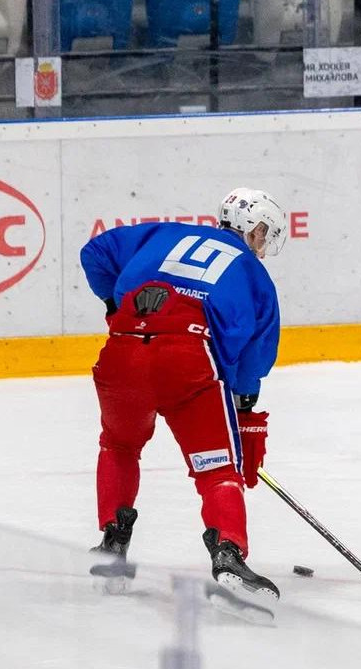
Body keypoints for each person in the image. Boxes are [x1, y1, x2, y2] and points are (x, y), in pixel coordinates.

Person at [79, 188, 286, 605]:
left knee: (119, 445)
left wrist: (116, 307)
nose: (262, 247)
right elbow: (253, 358)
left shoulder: (164, 232)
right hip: (188, 361)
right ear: (253, 229)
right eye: (264, 236)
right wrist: (243, 407)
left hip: (121, 351)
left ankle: (113, 545)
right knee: (217, 469)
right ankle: (227, 554)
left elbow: (95, 253)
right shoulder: (254, 273)